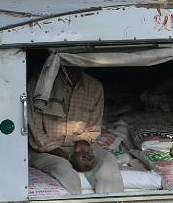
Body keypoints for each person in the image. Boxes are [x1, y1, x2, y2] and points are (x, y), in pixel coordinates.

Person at [28, 66, 123, 194]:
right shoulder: (39, 84)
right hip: (44, 150)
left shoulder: (94, 87)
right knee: (64, 169)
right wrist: (68, 157)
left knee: (107, 162)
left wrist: (82, 143)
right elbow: (35, 133)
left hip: (76, 147)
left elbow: (92, 127)